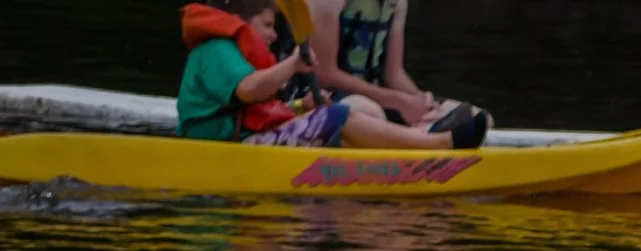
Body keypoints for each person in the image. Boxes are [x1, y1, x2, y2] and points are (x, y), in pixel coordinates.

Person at [175, 0, 483, 150]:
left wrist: (300, 107)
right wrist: (293, 64)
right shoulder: (216, 48)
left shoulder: (236, 50)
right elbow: (247, 91)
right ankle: (434, 146)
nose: (272, 36)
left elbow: (253, 107)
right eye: (268, 26)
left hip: (245, 140)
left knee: (347, 110)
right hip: (224, 147)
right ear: (238, 20)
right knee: (339, 115)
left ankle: (400, 155)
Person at [304, 0, 481, 135]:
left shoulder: (397, 2)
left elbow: (393, 74)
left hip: (375, 96)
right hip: (316, 96)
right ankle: (424, 141)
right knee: (370, 112)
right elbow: (324, 74)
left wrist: (423, 103)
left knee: (476, 117)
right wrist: (399, 102)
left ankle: (420, 136)